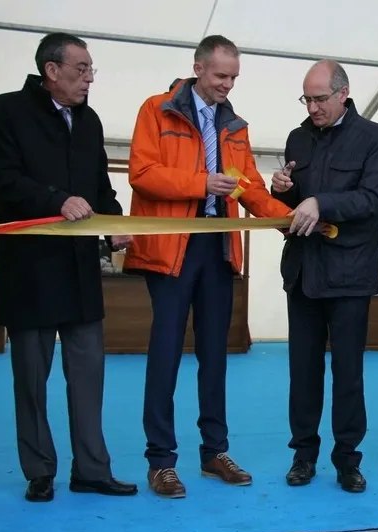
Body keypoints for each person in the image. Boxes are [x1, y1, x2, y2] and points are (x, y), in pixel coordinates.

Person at [123, 35, 293, 498]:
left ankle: (214, 451)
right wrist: (202, 183)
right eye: (221, 76)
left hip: (218, 247)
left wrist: (285, 218)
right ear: (197, 68)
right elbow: (142, 173)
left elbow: (250, 186)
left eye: (234, 77)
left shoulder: (234, 126)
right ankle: (161, 461)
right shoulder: (155, 109)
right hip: (172, 248)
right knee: (165, 354)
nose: (227, 85)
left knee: (216, 355)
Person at [0, 32, 137, 502]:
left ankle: (92, 468)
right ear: (52, 71)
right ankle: (39, 470)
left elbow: (99, 185)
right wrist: (56, 202)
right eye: (81, 69)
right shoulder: (5, 111)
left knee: (89, 375)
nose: (89, 78)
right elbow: (3, 179)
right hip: (29, 269)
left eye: (91, 70)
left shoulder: (88, 121)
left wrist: (115, 224)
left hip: (79, 269)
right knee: (30, 377)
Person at [270, 59, 378, 493]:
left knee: (348, 372)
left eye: (319, 98)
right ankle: (303, 455)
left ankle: (347, 460)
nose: (312, 107)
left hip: (349, 275)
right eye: (306, 98)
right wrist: (281, 189)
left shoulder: (376, 139)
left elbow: (372, 200)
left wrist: (321, 202)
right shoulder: (297, 137)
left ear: (343, 94)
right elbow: (294, 202)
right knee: (302, 372)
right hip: (303, 271)